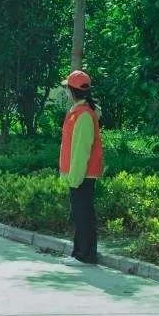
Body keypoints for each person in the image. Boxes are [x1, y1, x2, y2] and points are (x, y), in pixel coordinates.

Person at [60, 70, 103, 265]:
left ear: (72, 91)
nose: (66, 92)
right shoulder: (78, 112)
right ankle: (79, 253)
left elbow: (82, 150)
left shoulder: (84, 115)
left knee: (83, 215)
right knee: (80, 214)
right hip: (80, 174)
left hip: (82, 175)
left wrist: (75, 177)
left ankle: (85, 255)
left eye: (67, 88)